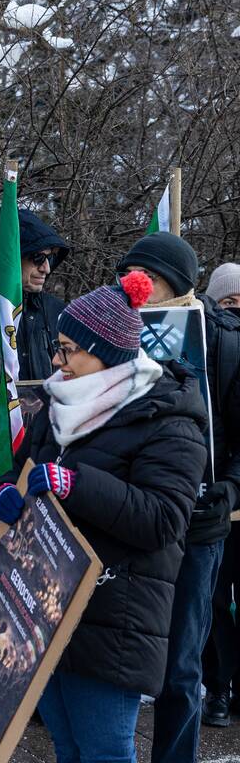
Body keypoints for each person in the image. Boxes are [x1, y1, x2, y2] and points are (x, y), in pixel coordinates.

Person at [0, 272, 207, 763]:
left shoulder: (168, 418)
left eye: (68, 351)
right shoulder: (60, 405)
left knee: (105, 751)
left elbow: (163, 519)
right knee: (67, 747)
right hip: (47, 609)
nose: (57, 362)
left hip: (114, 617)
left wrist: (77, 484)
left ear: (105, 352)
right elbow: (21, 472)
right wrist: (2, 494)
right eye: (58, 350)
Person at [111, 235, 240, 755]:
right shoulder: (113, 335)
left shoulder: (226, 341)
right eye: (131, 280)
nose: (139, 291)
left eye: (151, 279)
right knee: (120, 652)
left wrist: (229, 488)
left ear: (180, 283)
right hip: (133, 518)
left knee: (182, 664)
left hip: (200, 525)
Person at [204, 260, 240, 726]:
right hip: (218, 492)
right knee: (213, 599)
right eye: (228, 302)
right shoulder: (207, 347)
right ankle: (217, 689)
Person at [0, 208, 70, 382]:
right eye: (37, 258)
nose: (46, 268)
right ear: (11, 258)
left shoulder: (60, 312)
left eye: (50, 258)